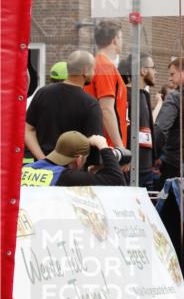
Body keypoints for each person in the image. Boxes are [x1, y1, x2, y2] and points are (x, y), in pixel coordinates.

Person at [25, 50, 103, 159]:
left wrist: (43, 160)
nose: (94, 73)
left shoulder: (43, 93)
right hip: (74, 168)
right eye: (93, 69)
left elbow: (28, 129)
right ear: (85, 71)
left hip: (43, 168)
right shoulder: (90, 104)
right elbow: (95, 144)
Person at [21, 131, 126, 187]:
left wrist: (92, 172)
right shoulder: (65, 177)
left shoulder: (24, 169)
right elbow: (117, 180)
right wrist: (103, 146)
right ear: (78, 159)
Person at [85, 19, 128, 150]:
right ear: (115, 39)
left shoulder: (98, 64)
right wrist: (120, 147)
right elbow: (106, 109)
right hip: (107, 147)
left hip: (102, 143)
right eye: (121, 37)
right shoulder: (104, 66)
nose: (122, 42)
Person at [153, 57, 184, 183]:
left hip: (174, 161)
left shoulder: (175, 97)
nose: (169, 78)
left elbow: (161, 129)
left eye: (172, 74)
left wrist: (154, 155)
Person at [122, 53, 157, 189]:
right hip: (130, 168)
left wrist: (153, 158)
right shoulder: (125, 94)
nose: (155, 72)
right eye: (153, 68)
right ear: (143, 70)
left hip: (146, 168)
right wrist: (126, 157)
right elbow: (124, 127)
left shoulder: (145, 95)